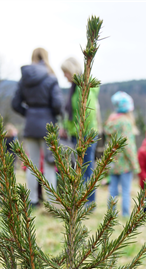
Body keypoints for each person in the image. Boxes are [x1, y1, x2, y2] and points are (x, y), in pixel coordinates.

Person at [12, 47, 63, 204]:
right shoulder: (51, 77)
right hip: (48, 125)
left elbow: (15, 103)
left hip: (31, 126)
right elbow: (58, 104)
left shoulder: (24, 79)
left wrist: (29, 113)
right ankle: (52, 202)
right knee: (49, 164)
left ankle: (33, 200)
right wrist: (53, 115)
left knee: (32, 164)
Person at [61, 56, 101, 206]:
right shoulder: (74, 87)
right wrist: (66, 127)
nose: (64, 75)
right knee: (80, 169)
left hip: (85, 134)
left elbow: (87, 112)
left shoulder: (83, 86)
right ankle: (81, 201)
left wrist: (80, 132)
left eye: (66, 72)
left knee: (86, 169)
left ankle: (88, 203)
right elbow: (73, 112)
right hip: (76, 133)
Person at [104, 91, 139, 218]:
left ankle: (111, 213)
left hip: (112, 161)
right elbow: (128, 145)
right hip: (125, 163)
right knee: (125, 190)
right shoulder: (126, 122)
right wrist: (134, 164)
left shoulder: (111, 121)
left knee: (113, 189)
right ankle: (125, 214)